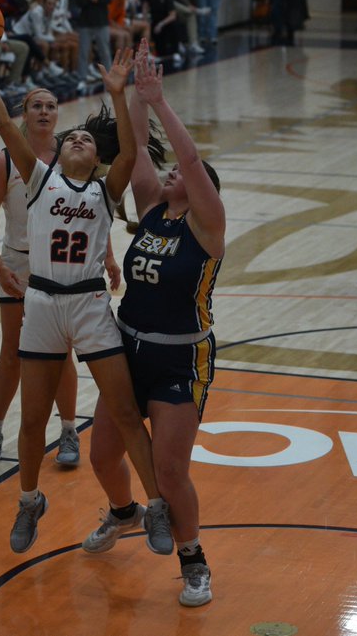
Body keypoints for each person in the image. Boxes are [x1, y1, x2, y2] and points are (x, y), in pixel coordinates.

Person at [0, 45, 172, 556]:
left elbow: (129, 153)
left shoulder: (105, 191)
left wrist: (118, 94)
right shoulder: (38, 179)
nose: (77, 138)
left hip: (90, 305)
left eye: (86, 139)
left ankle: (156, 506)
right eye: (71, 136)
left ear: (96, 159)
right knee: (33, 418)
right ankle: (29, 500)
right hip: (42, 305)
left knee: (124, 412)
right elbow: (2, 124)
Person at [83, 40, 224, 607]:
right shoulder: (152, 211)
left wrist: (163, 102)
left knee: (169, 470)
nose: (168, 172)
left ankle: (194, 562)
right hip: (127, 349)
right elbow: (138, 147)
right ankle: (124, 513)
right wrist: (134, 96)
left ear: (202, 187)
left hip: (180, 357)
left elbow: (187, 160)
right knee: (101, 455)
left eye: (181, 173)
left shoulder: (207, 226)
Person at [0, 87, 117, 466]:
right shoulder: (7, 160)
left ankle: (68, 430)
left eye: (50, 106)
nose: (43, 112)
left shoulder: (72, 155)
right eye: (36, 106)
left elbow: (93, 207)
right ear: (24, 113)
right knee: (11, 352)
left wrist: (108, 255)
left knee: (62, 352)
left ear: (57, 113)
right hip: (18, 263)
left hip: (60, 264)